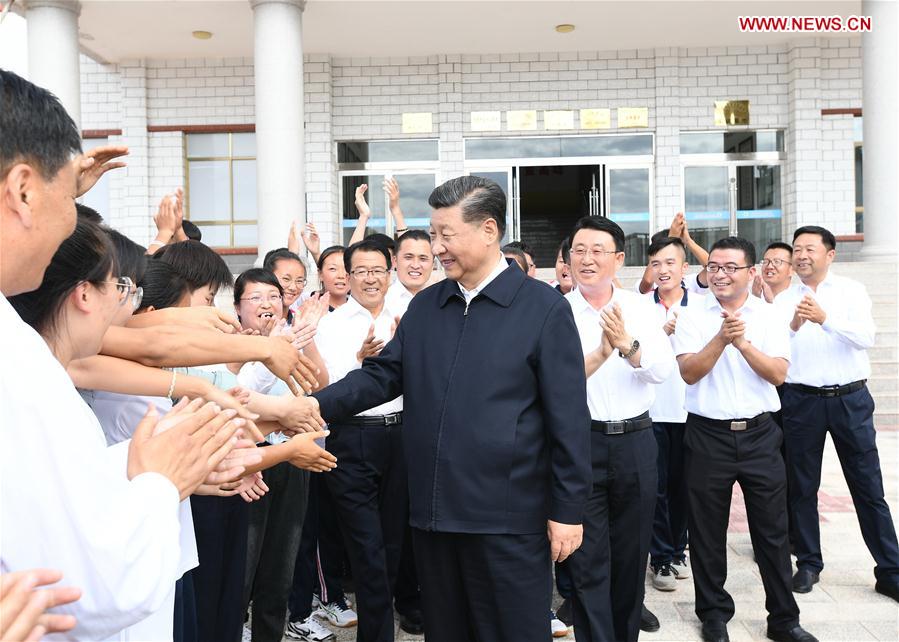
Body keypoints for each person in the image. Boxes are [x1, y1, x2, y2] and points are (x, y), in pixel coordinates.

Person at [1, 69, 243, 640]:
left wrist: (136, 466)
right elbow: (92, 586)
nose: (76, 223)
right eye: (72, 203)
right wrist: (160, 481)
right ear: (23, 191)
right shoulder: (20, 363)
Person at [309, 175, 591, 642]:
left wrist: (568, 509)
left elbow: (568, 417)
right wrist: (309, 406)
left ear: (488, 230)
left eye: (446, 235)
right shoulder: (427, 308)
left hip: (508, 523)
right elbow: (381, 376)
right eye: (432, 233)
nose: (436, 247)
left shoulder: (540, 308)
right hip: (435, 519)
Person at [674, 236, 817, 642]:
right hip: (707, 436)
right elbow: (689, 372)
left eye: (730, 267)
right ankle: (714, 615)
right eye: (714, 267)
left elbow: (777, 374)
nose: (720, 274)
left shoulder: (769, 316)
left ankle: (784, 619)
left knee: (772, 532)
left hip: (759, 435)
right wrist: (721, 339)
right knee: (706, 532)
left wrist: (741, 342)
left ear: (750, 272)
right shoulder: (692, 316)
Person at [564, 217, 674, 642]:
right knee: (587, 560)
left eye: (597, 250)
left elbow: (662, 371)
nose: (587, 259)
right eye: (579, 250)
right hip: (580, 443)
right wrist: (598, 352)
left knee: (631, 558)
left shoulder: (641, 309)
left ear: (619, 258)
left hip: (635, 442)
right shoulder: (556, 311)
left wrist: (627, 346)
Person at [778, 226, 899, 602]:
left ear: (830, 254)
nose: (801, 256)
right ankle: (809, 563)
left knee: (867, 485)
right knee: (801, 486)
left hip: (850, 400)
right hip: (801, 401)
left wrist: (824, 318)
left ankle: (890, 569)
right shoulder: (783, 298)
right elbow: (776, 345)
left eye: (809, 249)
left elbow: (866, 337)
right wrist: (796, 324)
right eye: (797, 249)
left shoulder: (851, 291)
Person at [310, 239, 409, 642]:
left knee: (393, 545)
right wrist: (361, 364)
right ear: (347, 278)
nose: (370, 279)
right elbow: (325, 389)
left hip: (401, 438)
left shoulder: (408, 318)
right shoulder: (330, 325)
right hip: (351, 441)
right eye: (361, 272)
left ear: (390, 274)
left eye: (378, 271)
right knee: (367, 549)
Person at [644, 236, 702, 592]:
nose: (663, 270)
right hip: (651, 411)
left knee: (684, 486)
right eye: (656, 264)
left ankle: (678, 549)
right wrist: (658, 335)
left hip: (690, 410)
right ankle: (661, 556)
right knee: (657, 487)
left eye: (670, 263)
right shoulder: (638, 307)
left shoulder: (702, 306)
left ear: (684, 269)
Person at [384, 230, 434, 318]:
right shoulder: (381, 300)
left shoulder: (442, 300)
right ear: (395, 261)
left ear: (433, 264)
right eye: (408, 257)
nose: (415, 265)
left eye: (423, 259)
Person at [264, 248, 309, 316]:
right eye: (286, 279)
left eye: (299, 281)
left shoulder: (300, 320)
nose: (293, 288)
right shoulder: (253, 320)